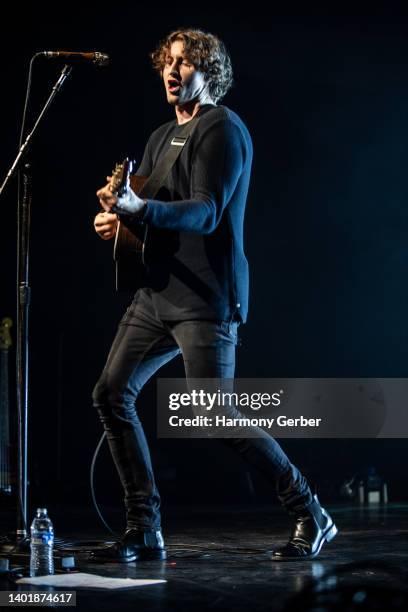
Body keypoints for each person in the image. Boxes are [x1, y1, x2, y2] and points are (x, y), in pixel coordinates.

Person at [91, 28, 337, 562]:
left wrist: (140, 210)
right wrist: (120, 221)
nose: (172, 71)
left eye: (185, 64)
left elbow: (204, 211)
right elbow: (155, 213)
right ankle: (144, 528)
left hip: (206, 296)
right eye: (167, 62)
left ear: (210, 75)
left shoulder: (222, 129)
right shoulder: (159, 137)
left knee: (214, 415)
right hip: (156, 294)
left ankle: (310, 510)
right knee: (111, 393)